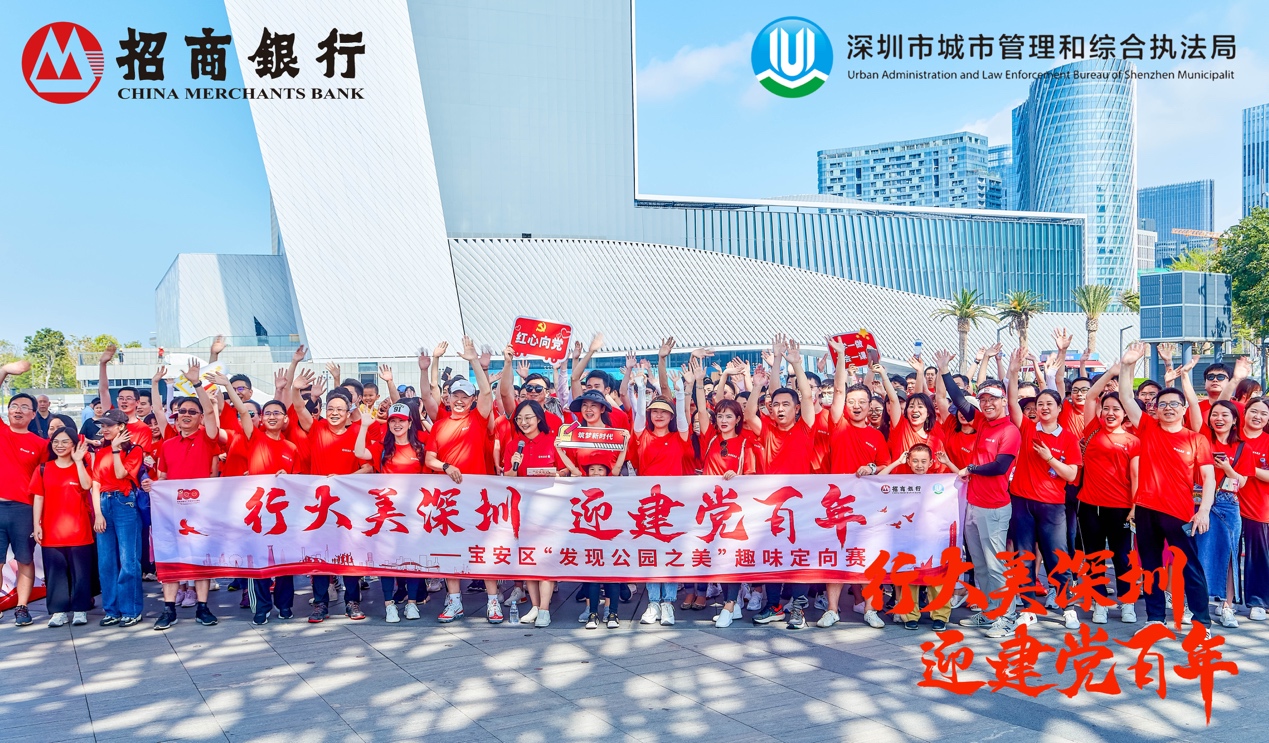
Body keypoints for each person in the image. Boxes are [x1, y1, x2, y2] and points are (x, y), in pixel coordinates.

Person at [1118, 342, 1215, 632]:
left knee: (1190, 567)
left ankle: (1201, 622)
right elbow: (1125, 396)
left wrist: (1204, 511)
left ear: (1184, 409)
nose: (1168, 408)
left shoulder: (1196, 440)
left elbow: (1209, 478)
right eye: (1163, 404)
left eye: (1174, 404)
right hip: (1146, 510)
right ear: (1155, 410)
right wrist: (1128, 364)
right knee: (1150, 566)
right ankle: (1155, 619)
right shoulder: (1147, 428)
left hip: (1180, 513)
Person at [423, 337, 504, 624]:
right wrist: (445, 466)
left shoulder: (478, 419)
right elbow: (429, 459)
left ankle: (493, 602)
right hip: (447, 498)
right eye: (455, 395)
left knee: (484, 548)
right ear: (448, 399)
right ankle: (454, 601)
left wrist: (473, 362)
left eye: (465, 396)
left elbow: (487, 391)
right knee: (450, 550)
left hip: (477, 497)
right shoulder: (440, 425)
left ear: (471, 400)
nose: (459, 400)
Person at [938, 368, 1021, 639]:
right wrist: (945, 373)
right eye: (983, 399)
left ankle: (1008, 617)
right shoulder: (983, 422)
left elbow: (1000, 466)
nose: (987, 404)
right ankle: (990, 610)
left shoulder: (1009, 430)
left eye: (993, 399)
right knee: (981, 564)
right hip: (973, 504)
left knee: (996, 565)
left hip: (994, 508)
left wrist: (971, 468)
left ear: (1004, 401)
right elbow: (960, 401)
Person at [1004, 348, 1082, 631]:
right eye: (1040, 404)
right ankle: (1028, 608)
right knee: (1024, 556)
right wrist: (1013, 371)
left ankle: (1067, 607)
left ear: (1060, 408)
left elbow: (1072, 474)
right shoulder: (1027, 428)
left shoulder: (1068, 439)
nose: (1044, 408)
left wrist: (1049, 458)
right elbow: (1011, 401)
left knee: (1056, 555)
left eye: (1050, 403)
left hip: (1052, 506)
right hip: (1022, 503)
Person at [744, 334, 817, 630]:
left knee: (799, 558)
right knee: (772, 556)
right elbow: (749, 413)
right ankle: (774, 606)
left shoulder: (806, 428)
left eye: (787, 404)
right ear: (771, 409)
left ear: (796, 408)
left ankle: (798, 610)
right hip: (771, 507)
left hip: (800, 505)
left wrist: (796, 364)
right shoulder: (766, 430)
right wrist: (758, 386)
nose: (781, 408)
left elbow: (808, 398)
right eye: (776, 404)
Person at [819, 343, 893, 628]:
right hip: (837, 505)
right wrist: (840, 357)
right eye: (852, 401)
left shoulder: (877, 436)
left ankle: (871, 609)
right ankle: (832, 610)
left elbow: (886, 467)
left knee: (869, 557)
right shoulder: (838, 424)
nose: (857, 406)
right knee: (836, 556)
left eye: (862, 401)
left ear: (870, 405)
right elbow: (839, 389)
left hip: (867, 506)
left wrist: (872, 469)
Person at [292, 371, 374, 622]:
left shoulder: (356, 432)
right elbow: (299, 409)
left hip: (347, 507)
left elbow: (368, 467)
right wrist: (295, 389)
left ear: (349, 412)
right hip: (319, 506)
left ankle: (352, 602)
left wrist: (344, 479)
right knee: (320, 555)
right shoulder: (316, 428)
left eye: (340, 409)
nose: (335, 413)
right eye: (331, 409)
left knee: (349, 554)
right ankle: (320, 604)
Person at [222, 370, 301, 625]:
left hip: (282, 516)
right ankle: (261, 607)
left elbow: (299, 483)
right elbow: (243, 411)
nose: (272, 416)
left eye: (277, 413)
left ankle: (285, 605)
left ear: (285, 419)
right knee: (258, 562)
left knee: (285, 563)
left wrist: (287, 478)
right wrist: (227, 386)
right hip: (256, 514)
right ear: (262, 419)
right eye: (268, 413)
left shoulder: (291, 448)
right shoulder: (253, 437)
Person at [150, 363, 222, 630]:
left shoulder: (208, 438)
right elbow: (162, 478)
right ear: (176, 417)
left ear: (200, 417)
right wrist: (151, 486)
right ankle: (168, 609)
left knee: (201, 558)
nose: (187, 415)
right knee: (171, 557)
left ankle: (203, 607)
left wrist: (197, 384)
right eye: (183, 412)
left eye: (193, 412)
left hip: (202, 510)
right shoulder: (167, 445)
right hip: (172, 512)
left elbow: (211, 412)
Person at [631, 359, 700, 627]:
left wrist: (680, 393)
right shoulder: (642, 436)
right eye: (655, 412)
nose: (658, 416)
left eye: (664, 412)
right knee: (651, 554)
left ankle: (668, 603)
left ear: (671, 416)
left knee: (670, 553)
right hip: (647, 506)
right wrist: (640, 389)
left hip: (672, 506)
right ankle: (653, 603)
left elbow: (684, 421)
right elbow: (638, 417)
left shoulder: (679, 438)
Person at [354, 401, 430, 623]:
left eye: (401, 421)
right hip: (387, 514)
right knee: (386, 559)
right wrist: (364, 426)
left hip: (412, 514)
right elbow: (359, 452)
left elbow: (428, 479)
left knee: (412, 559)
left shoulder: (420, 448)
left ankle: (412, 603)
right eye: (393, 421)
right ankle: (389, 605)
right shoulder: (383, 448)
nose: (397, 425)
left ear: (409, 423)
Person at [499, 391, 568, 628]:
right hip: (522, 510)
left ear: (539, 418)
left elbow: (566, 470)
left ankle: (546, 609)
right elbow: (508, 475)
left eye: (528, 417)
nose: (524, 422)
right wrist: (514, 467)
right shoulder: (513, 446)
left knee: (545, 559)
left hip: (549, 511)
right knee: (528, 559)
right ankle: (535, 607)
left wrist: (556, 474)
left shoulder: (552, 442)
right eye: (519, 419)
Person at [1076, 380, 1140, 624]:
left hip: (1120, 508)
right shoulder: (1092, 430)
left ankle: (1128, 603)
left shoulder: (1133, 441)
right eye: (1106, 408)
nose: (1110, 413)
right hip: (1090, 506)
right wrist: (1112, 373)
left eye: (1116, 409)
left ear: (1125, 413)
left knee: (1122, 556)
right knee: (1094, 556)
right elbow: (1091, 395)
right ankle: (1099, 602)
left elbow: (1136, 475)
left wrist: (1134, 506)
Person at [0, 360, 49, 625]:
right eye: (14, 406)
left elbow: (46, 481)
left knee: (25, 560)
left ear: (33, 415)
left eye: (24, 408)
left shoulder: (41, 445)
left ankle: (22, 607)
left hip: (23, 509)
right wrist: (4, 371)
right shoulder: (1, 431)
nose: (18, 410)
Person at [31, 429, 94, 627]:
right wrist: (36, 524)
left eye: (65, 442)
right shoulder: (43, 468)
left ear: (74, 444)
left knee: (81, 572)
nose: (60, 445)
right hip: (51, 530)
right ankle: (58, 612)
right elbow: (38, 497)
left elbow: (87, 486)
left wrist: (78, 461)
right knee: (55, 573)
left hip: (79, 529)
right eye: (56, 441)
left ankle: (80, 609)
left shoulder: (80, 466)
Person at [1199, 400, 1253, 628]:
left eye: (1225, 415)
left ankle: (1227, 606)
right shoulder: (1201, 440)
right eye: (1215, 414)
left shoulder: (1243, 448)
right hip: (1199, 502)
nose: (1219, 419)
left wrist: (1227, 468)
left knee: (1230, 554)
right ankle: (1197, 605)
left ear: (1234, 421)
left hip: (1228, 503)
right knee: (1198, 553)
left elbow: (1242, 482)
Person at [90, 408, 145, 626]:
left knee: (128, 559)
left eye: (109, 425)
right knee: (105, 561)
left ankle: (131, 609)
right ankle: (111, 610)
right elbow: (95, 484)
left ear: (121, 427)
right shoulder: (100, 452)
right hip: (104, 502)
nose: (104, 429)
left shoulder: (134, 450)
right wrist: (98, 514)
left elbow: (122, 474)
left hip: (125, 502)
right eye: (102, 426)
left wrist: (115, 450)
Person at [1239, 397, 1269, 622]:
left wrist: (1249, 468)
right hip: (1227, 506)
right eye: (1254, 411)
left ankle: (1258, 601)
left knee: (1257, 556)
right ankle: (1226, 600)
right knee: (1228, 555)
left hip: (1258, 507)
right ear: (1244, 412)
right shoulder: (1231, 436)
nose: (1258, 416)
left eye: (1264, 413)